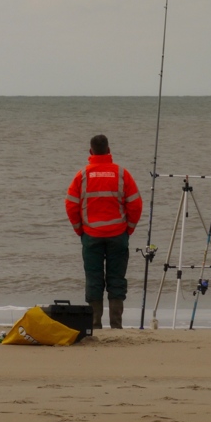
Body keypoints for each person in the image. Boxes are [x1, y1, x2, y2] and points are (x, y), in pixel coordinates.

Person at [65, 134, 143, 329]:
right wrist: (129, 228)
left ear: (91, 152)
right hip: (118, 235)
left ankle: (94, 324)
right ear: (109, 150)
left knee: (94, 278)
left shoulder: (82, 175)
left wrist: (79, 229)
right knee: (117, 279)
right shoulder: (122, 174)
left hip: (91, 236)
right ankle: (116, 325)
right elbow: (135, 204)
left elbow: (71, 205)